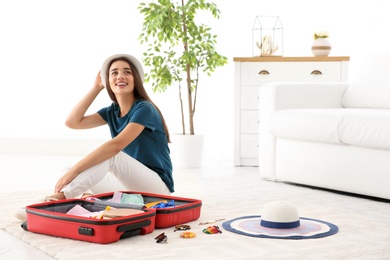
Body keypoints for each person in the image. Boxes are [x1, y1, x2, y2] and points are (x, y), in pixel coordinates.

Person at [15, 54, 174, 220]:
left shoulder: (145, 109)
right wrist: (96, 88)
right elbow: (73, 122)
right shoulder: (112, 111)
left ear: (136, 80)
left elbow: (115, 146)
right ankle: (86, 202)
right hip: (130, 186)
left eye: (127, 72)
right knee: (66, 171)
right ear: (107, 81)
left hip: (157, 189)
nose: (120, 76)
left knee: (111, 157)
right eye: (114, 73)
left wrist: (77, 170)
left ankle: (54, 202)